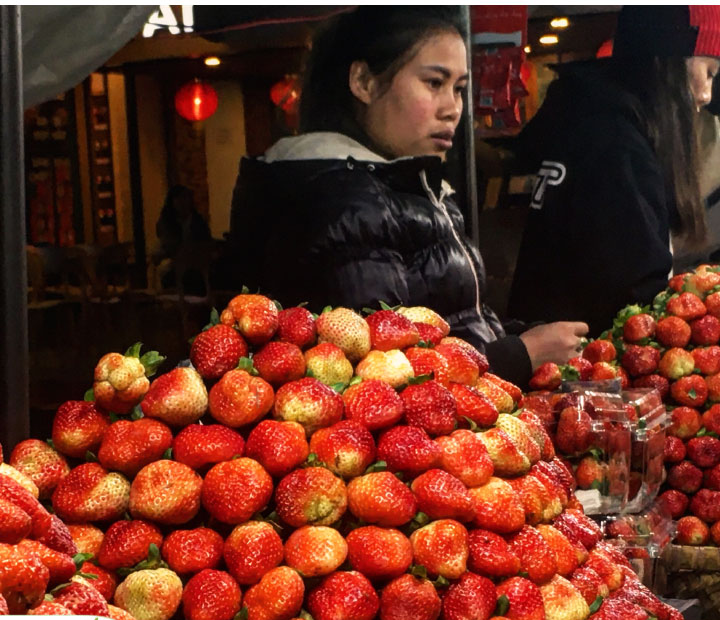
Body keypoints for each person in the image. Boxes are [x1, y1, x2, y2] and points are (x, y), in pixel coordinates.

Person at [227, 6, 587, 387]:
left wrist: (525, 337)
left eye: (460, 89)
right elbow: (381, 377)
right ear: (363, 82)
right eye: (434, 83)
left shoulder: (414, 183)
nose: (452, 109)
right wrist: (521, 353)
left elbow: (456, 323)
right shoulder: (340, 202)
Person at [507, 5, 720, 335]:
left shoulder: (587, 119)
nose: (705, 94)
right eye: (709, 72)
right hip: (580, 366)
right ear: (667, 60)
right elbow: (632, 298)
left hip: (556, 354)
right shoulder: (614, 142)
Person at [154, 185, 213, 292]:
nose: (183, 203)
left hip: (196, 262)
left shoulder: (198, 221)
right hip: (173, 262)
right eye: (179, 199)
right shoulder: (166, 222)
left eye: (186, 198)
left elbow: (205, 243)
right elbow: (168, 245)